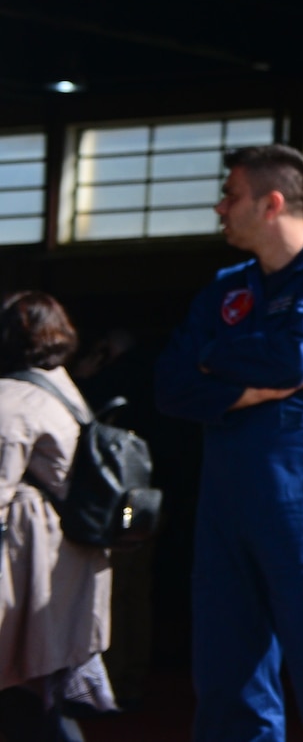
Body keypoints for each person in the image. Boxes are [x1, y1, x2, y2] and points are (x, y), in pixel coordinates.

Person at [154, 145, 303, 742]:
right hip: (226, 507)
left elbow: (292, 358)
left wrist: (214, 367)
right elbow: (170, 383)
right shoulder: (229, 285)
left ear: (270, 201)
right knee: (228, 678)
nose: (219, 208)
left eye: (229, 195)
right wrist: (241, 389)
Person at [0, 292, 112, 742]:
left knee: (26, 688)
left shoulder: (12, 397)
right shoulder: (62, 386)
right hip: (71, 557)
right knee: (42, 686)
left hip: (26, 566)